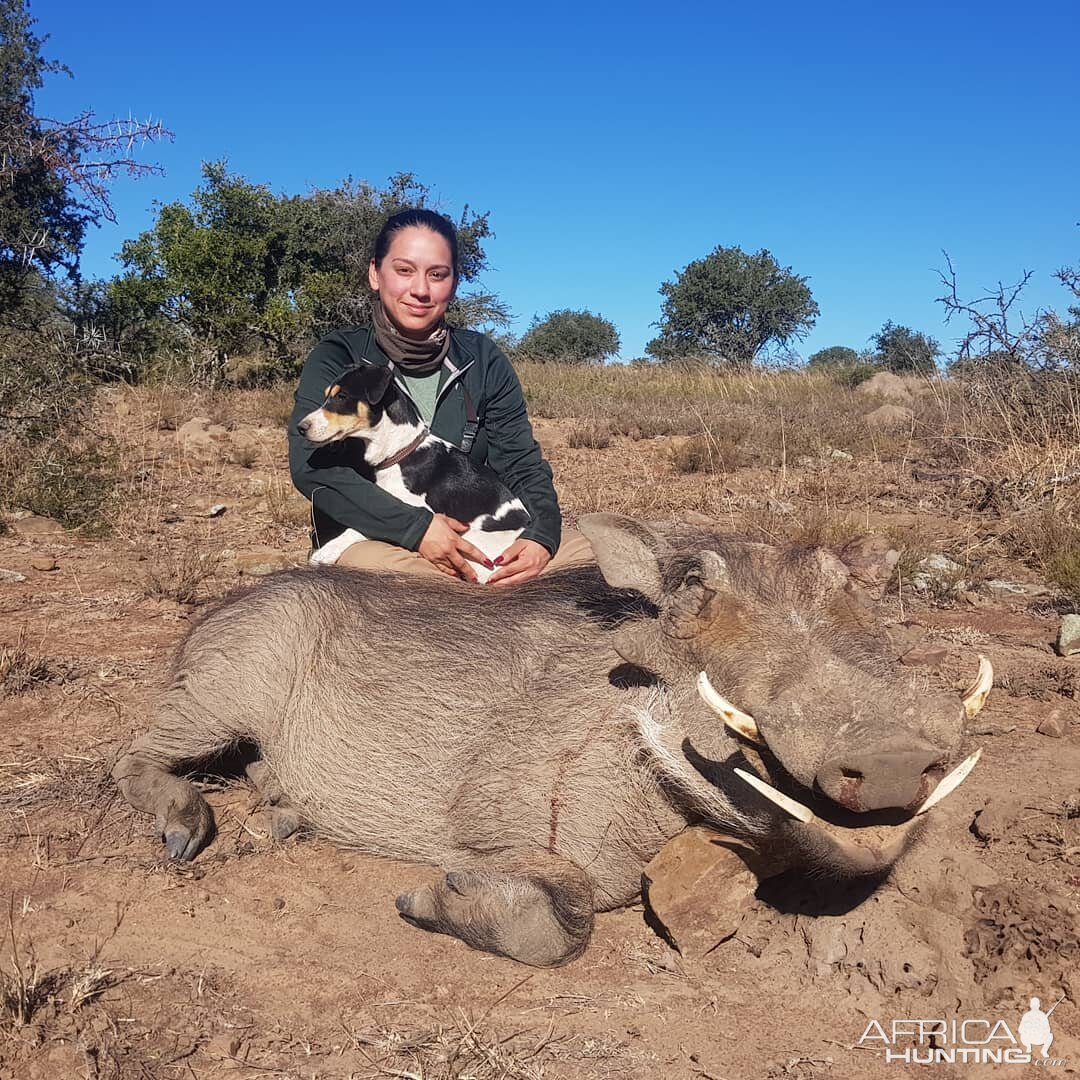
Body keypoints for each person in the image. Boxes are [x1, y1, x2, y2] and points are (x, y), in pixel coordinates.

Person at [288, 208, 593, 586]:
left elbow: (521, 463)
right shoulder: (339, 356)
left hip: (478, 534)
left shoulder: (482, 359)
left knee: (588, 557)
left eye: (437, 274)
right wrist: (417, 530)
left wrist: (542, 536)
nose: (420, 289)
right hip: (375, 537)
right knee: (431, 586)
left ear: (454, 283)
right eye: (404, 270)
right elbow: (311, 469)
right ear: (374, 274)